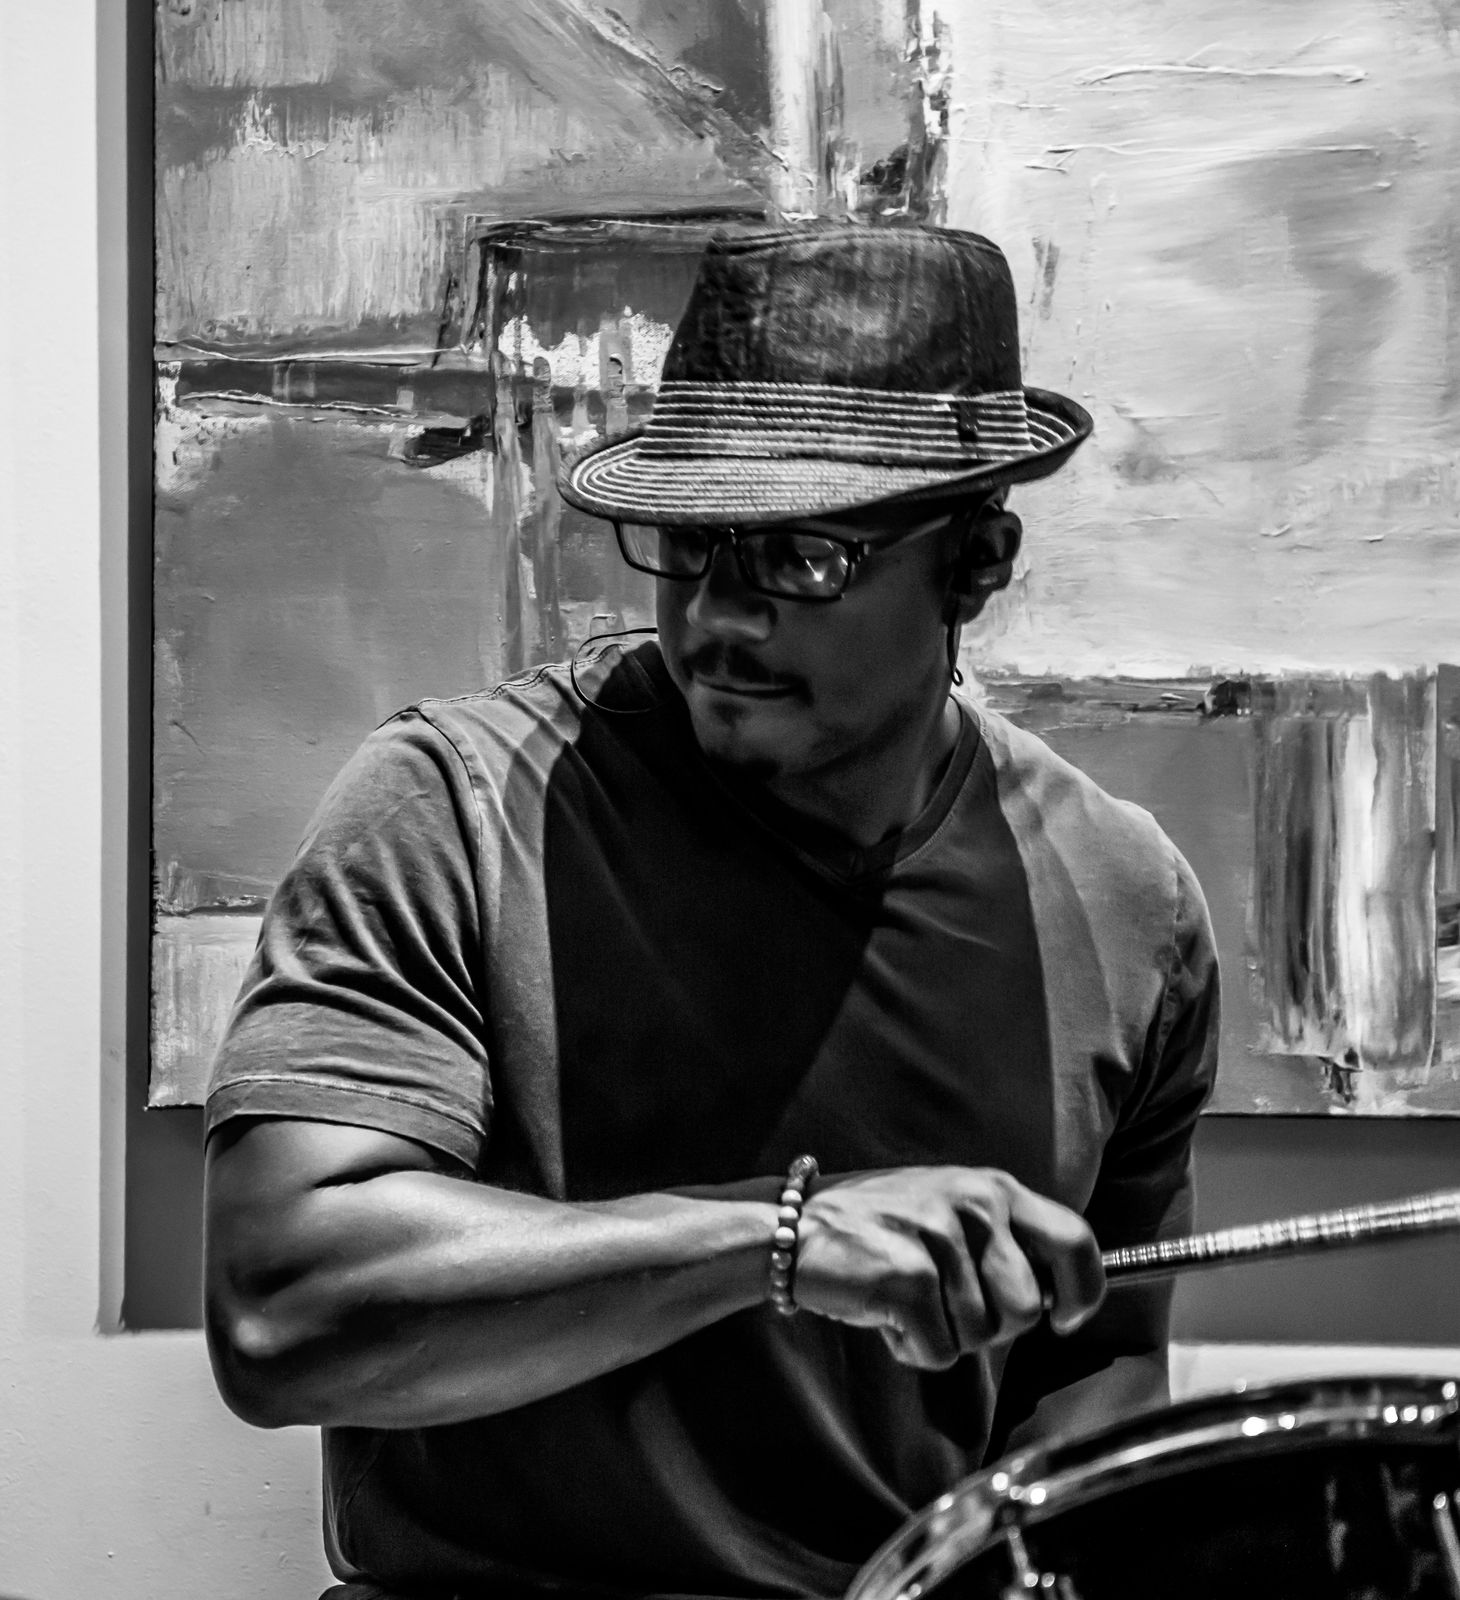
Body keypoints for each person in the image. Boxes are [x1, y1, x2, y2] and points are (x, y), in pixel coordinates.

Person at [203, 221, 1219, 1600]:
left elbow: (1093, 1361)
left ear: (978, 563)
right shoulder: (459, 804)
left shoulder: (1128, 902)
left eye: (803, 557)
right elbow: (281, 1313)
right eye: (689, 545)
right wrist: (780, 1241)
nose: (718, 620)